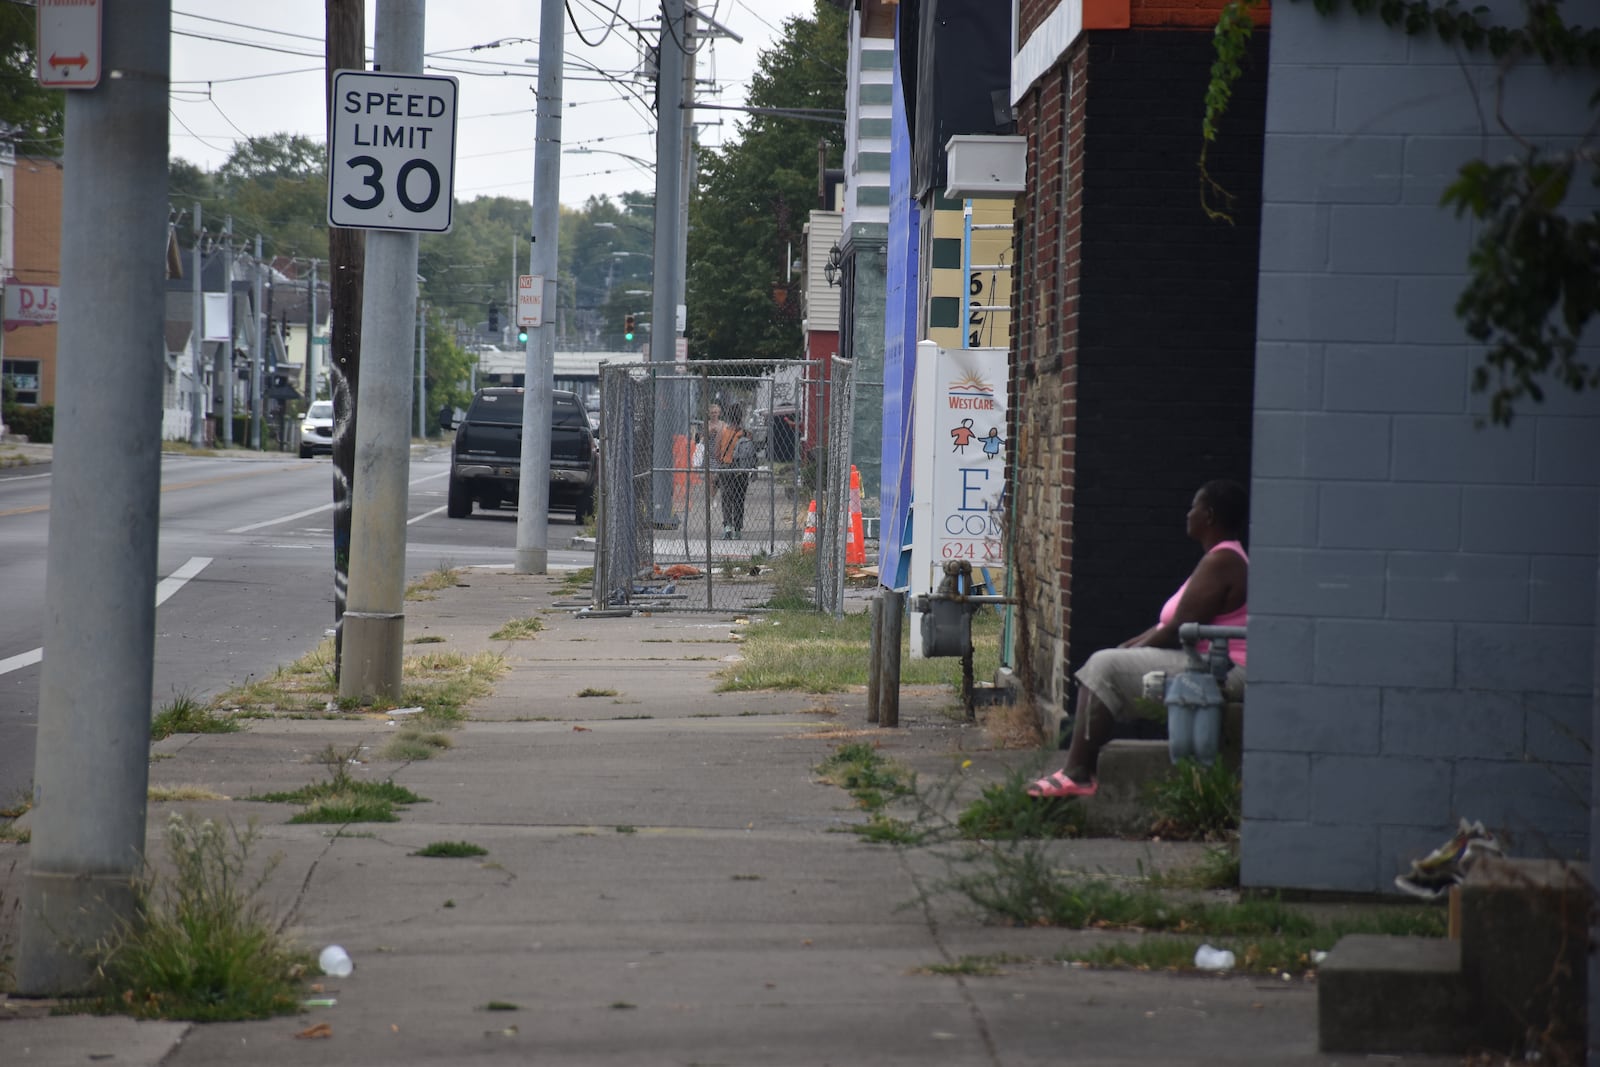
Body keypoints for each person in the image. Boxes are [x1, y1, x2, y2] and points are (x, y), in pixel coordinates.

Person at [1029, 479, 1249, 798]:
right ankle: (1077, 768)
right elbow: (1172, 624)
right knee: (1109, 660)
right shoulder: (1222, 557)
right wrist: (1129, 648)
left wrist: (1126, 654)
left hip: (1224, 671)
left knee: (1106, 667)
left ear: (1209, 516)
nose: (1188, 515)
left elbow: (1177, 629)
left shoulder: (1222, 561)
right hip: (1207, 661)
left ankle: (1078, 772)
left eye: (1194, 508)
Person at [712, 402, 753, 539]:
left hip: (726, 469)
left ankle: (727, 528)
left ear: (728, 416)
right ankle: (738, 529)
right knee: (739, 499)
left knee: (726, 498)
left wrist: (723, 459)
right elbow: (751, 453)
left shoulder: (722, 432)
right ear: (741, 417)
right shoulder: (746, 433)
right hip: (741, 470)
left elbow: (717, 454)